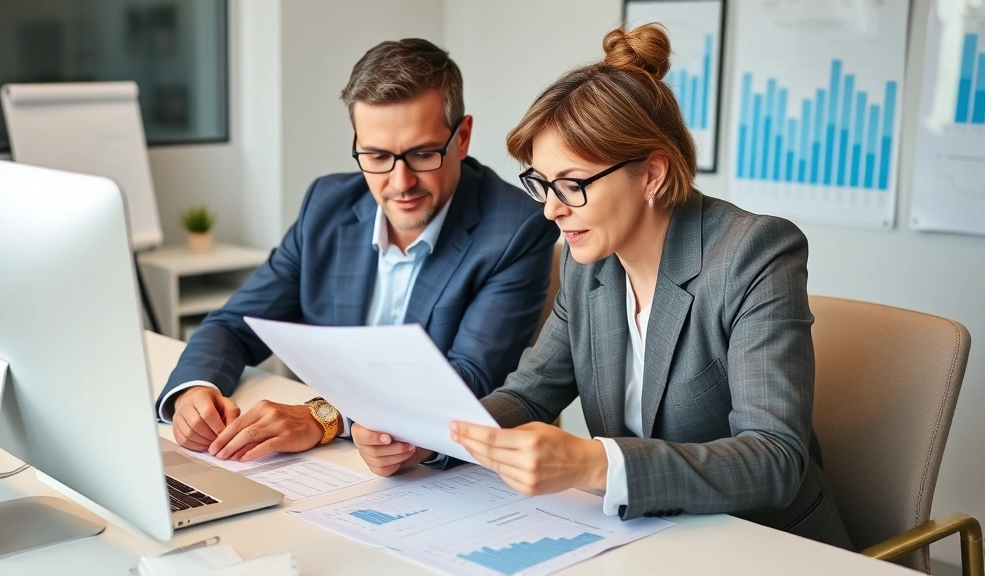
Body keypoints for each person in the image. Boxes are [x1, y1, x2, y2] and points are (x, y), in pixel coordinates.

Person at [352, 24, 853, 549]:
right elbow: (527, 395)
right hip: (650, 538)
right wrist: (429, 438)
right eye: (543, 185)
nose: (551, 210)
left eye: (572, 185)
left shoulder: (754, 254)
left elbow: (775, 459)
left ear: (652, 174)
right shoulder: (588, 265)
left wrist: (595, 463)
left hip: (764, 544)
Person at [157, 38, 559, 464]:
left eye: (423, 154)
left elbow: (467, 382)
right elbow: (234, 324)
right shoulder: (326, 207)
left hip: (439, 470)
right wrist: (195, 390)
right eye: (377, 156)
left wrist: (323, 417)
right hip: (327, 465)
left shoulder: (516, 228)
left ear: (461, 138)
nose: (401, 183)